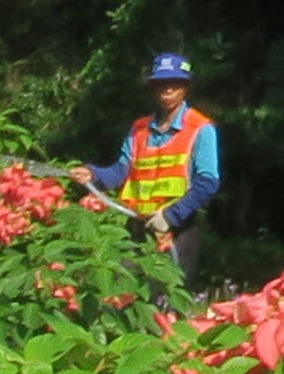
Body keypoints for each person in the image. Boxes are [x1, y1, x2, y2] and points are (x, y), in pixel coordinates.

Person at [87, 52, 223, 282]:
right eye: (161, 84)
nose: (167, 90)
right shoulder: (139, 128)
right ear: (153, 88)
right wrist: (92, 174)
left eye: (174, 84)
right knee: (125, 296)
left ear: (185, 87)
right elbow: (121, 171)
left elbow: (208, 182)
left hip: (178, 228)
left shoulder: (201, 128)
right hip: (137, 226)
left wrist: (170, 216)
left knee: (168, 302)